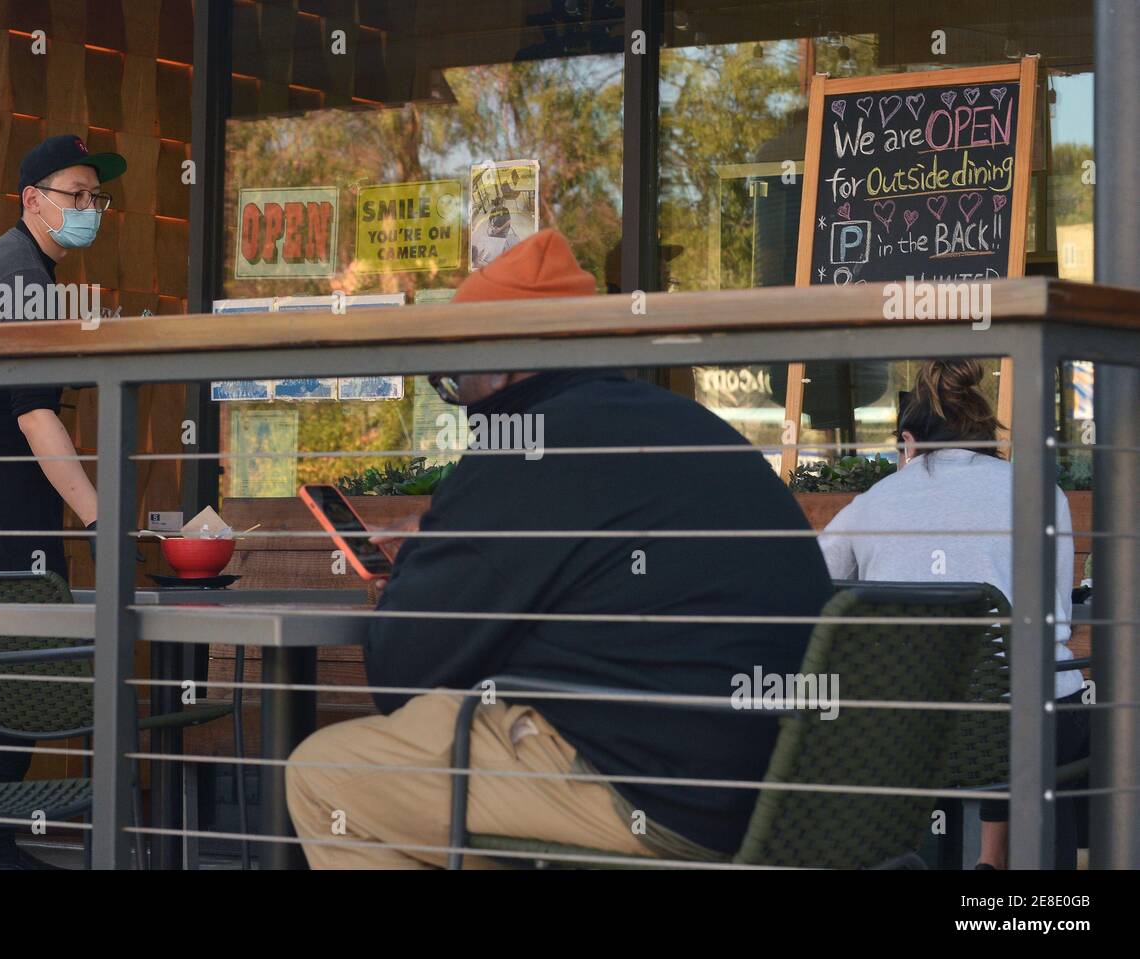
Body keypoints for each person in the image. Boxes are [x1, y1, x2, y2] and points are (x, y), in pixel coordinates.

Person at [286, 229, 833, 868]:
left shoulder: (523, 447)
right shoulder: (683, 422)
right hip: (789, 802)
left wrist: (421, 565)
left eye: (454, 381)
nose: (460, 404)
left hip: (664, 805)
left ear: (501, 360)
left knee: (325, 775)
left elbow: (400, 671)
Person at [0, 134, 126, 869]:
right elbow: (33, 412)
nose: (89, 209)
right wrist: (98, 515)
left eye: (96, 197)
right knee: (12, 675)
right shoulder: (23, 275)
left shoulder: (11, 261)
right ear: (32, 200)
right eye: (74, 194)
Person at [818, 360, 1087, 870]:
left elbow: (813, 577)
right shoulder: (1040, 493)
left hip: (915, 725)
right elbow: (1055, 612)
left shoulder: (874, 502)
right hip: (1028, 726)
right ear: (989, 438)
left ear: (907, 441)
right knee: (1019, 697)